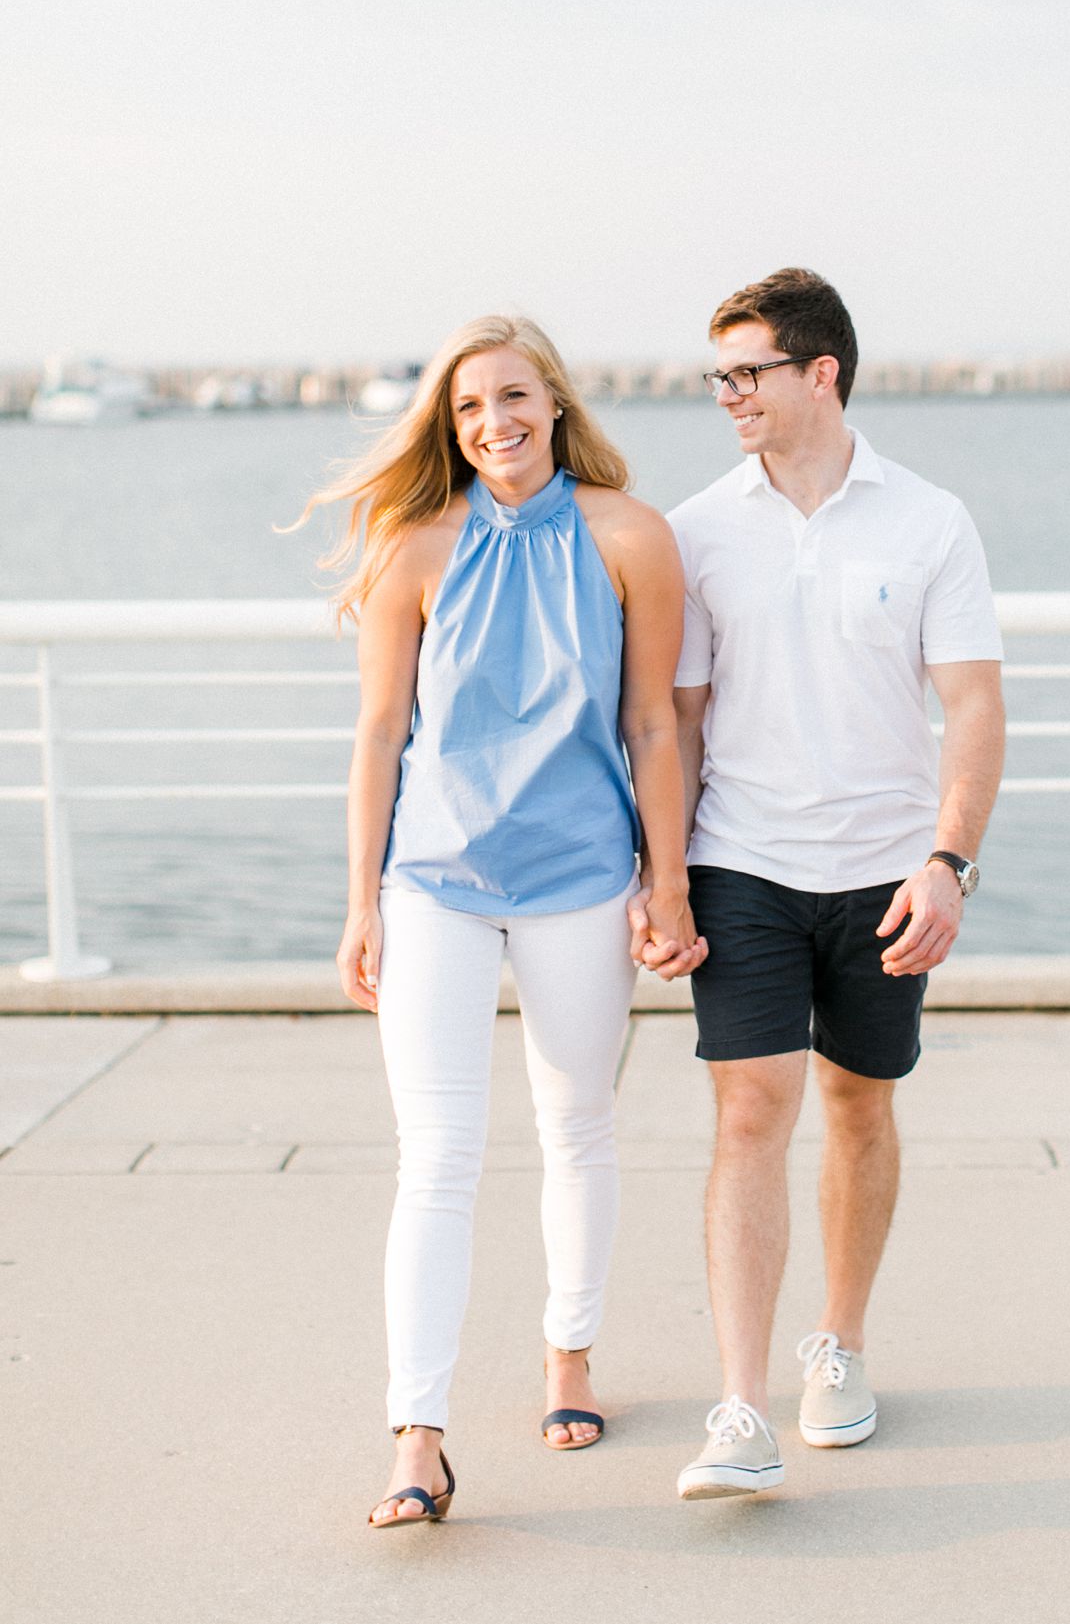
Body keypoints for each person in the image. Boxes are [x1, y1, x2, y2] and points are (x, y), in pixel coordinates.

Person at [303, 314, 706, 1529]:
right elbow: (379, 733)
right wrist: (359, 899)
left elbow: (652, 727)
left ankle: (568, 1351)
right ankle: (416, 1436)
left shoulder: (631, 536)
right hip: (432, 883)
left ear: (556, 401)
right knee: (435, 1155)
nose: (495, 424)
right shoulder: (411, 548)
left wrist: (667, 880)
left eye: (514, 397)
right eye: (470, 408)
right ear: (449, 425)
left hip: (583, 878)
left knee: (576, 1121)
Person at [629, 268, 1005, 1500]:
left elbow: (971, 706)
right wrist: (665, 880)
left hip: (886, 873)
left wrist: (947, 863)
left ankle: (835, 1345)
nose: (726, 394)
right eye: (718, 375)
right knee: (749, 1111)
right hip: (743, 859)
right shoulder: (696, 529)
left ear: (820, 373)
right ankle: (738, 1406)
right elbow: (672, 724)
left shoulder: (929, 521)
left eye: (747, 372)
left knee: (858, 1103)